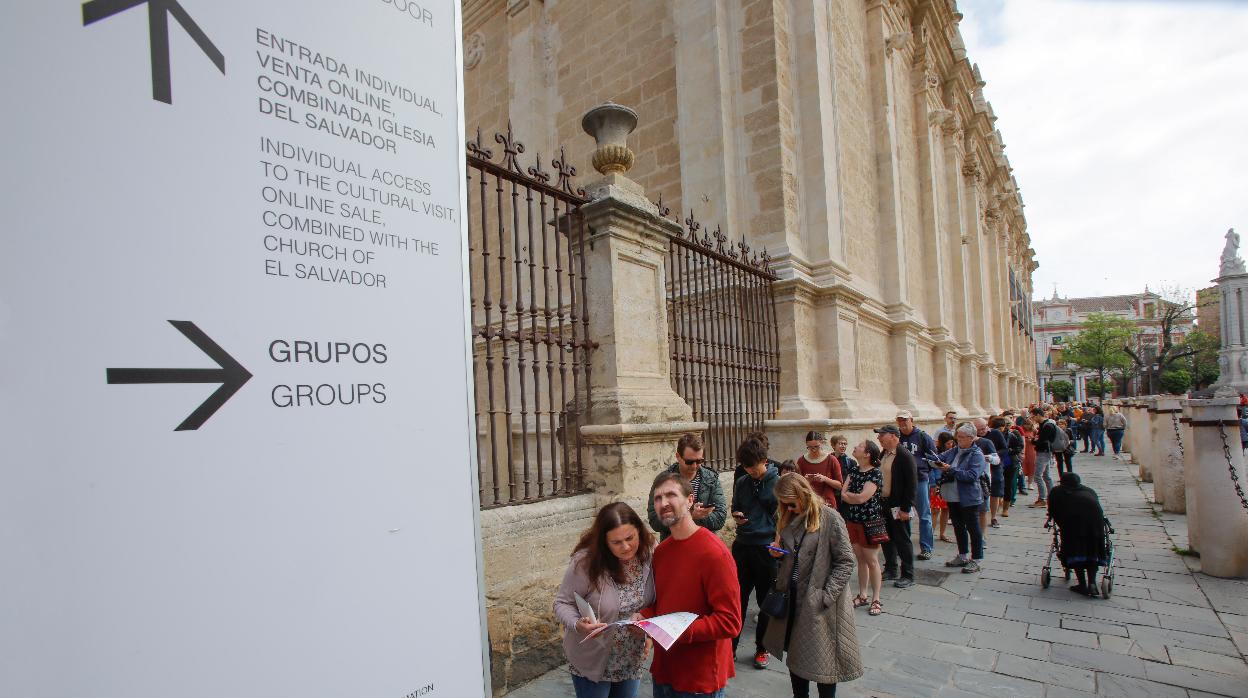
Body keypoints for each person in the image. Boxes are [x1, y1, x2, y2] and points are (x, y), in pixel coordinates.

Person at [762, 473, 864, 697]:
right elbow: (795, 556)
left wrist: (826, 595)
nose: (788, 508)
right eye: (783, 504)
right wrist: (778, 554)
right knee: (796, 658)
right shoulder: (789, 517)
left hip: (819, 602)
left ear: (803, 494)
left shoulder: (830, 518)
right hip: (793, 598)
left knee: (823, 663)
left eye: (791, 502)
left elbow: (846, 561)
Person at [645, 471, 742, 698]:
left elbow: (730, 622)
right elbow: (662, 603)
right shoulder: (661, 551)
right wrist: (643, 616)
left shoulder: (714, 553)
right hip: (664, 671)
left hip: (700, 679)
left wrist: (678, 630)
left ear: (690, 500)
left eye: (671, 495)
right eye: (658, 498)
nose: (663, 503)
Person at [554, 502, 656, 698]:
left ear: (639, 532)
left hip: (631, 657)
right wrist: (578, 624)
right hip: (593, 658)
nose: (626, 547)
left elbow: (655, 600)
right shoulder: (585, 562)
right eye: (616, 542)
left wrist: (649, 630)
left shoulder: (649, 553)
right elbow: (562, 603)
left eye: (630, 538)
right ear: (604, 542)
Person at [730, 438, 780, 669]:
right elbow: (735, 506)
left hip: (766, 548)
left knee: (766, 602)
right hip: (743, 545)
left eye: (754, 467)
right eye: (746, 468)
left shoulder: (778, 482)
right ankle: (729, 649)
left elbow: (783, 517)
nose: (751, 472)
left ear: (765, 461)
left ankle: (762, 647)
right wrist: (738, 515)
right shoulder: (742, 481)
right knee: (736, 600)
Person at [649, 433, 727, 540]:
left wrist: (699, 516)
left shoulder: (711, 478)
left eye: (699, 461)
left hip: (704, 544)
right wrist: (690, 515)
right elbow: (654, 521)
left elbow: (720, 518)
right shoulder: (663, 481)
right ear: (678, 457)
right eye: (689, 462)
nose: (694, 466)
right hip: (674, 544)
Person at [840, 440, 886, 616]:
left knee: (872, 561)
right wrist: (852, 496)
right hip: (853, 520)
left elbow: (861, 498)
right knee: (860, 559)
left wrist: (852, 496)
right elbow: (844, 496)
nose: (855, 447)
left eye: (859, 446)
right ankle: (863, 594)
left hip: (870, 522)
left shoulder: (875, 473)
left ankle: (876, 598)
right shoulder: (853, 470)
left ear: (867, 453)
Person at [935, 424, 988, 573]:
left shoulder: (976, 454)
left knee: (973, 528)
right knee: (958, 527)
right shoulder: (955, 450)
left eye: (962, 437)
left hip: (969, 497)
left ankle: (977, 558)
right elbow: (940, 458)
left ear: (971, 438)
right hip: (952, 496)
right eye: (957, 436)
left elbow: (972, 475)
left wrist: (950, 469)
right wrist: (934, 460)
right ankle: (963, 555)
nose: (958, 440)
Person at [1047, 472, 1109, 598]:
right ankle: (1092, 582)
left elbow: (1052, 510)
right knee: (1092, 551)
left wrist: (1061, 524)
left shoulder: (1057, 492)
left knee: (1075, 551)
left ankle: (1082, 584)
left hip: (1073, 526)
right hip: (1095, 525)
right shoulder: (1089, 491)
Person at [874, 424, 918, 588]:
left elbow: (912, 485)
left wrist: (906, 509)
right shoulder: (884, 453)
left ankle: (908, 574)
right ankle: (891, 569)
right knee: (886, 538)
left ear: (893, 436)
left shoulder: (904, 455)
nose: (878, 438)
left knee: (902, 539)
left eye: (881, 435)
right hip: (884, 503)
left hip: (898, 505)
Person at [895, 411, 938, 561]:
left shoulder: (922, 436)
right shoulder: (896, 437)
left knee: (924, 514)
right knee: (902, 514)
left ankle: (926, 547)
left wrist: (926, 472)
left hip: (920, 479)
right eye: (899, 420)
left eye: (905, 420)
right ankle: (904, 547)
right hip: (901, 481)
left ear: (911, 420)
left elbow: (934, 457)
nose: (902, 423)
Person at [797, 431, 843, 509]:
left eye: (816, 446)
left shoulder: (831, 459)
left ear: (821, 443)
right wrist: (805, 481)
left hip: (828, 504)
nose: (813, 450)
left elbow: (840, 485)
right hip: (809, 504)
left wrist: (825, 479)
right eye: (810, 447)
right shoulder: (801, 461)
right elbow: (796, 485)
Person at [1030, 410, 1058, 508]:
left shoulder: (1047, 426)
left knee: (1038, 476)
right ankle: (1051, 498)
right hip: (1046, 451)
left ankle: (1042, 499)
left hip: (1044, 452)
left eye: (1033, 416)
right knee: (1046, 476)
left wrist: (1033, 441)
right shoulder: (1046, 424)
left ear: (1038, 415)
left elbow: (1041, 440)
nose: (1032, 418)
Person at [932, 432, 954, 543]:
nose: (950, 445)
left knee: (946, 509)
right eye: (948, 443)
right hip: (938, 483)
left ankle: (942, 533)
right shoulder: (937, 452)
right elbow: (934, 468)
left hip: (948, 482)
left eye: (951, 443)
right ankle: (930, 533)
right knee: (935, 509)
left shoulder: (953, 452)